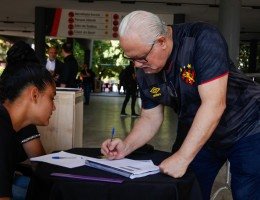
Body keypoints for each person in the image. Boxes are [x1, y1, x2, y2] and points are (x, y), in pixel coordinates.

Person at [101, 10, 260, 200]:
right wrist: (126, 146)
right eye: (131, 59)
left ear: (161, 42)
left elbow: (214, 105)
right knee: (184, 189)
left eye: (141, 58)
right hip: (198, 126)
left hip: (246, 125)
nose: (136, 65)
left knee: (246, 192)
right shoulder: (145, 66)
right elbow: (150, 117)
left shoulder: (202, 39)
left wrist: (183, 157)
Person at [0, 41, 56, 200]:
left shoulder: (9, 122)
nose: (54, 107)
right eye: (52, 98)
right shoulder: (2, 131)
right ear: (34, 95)